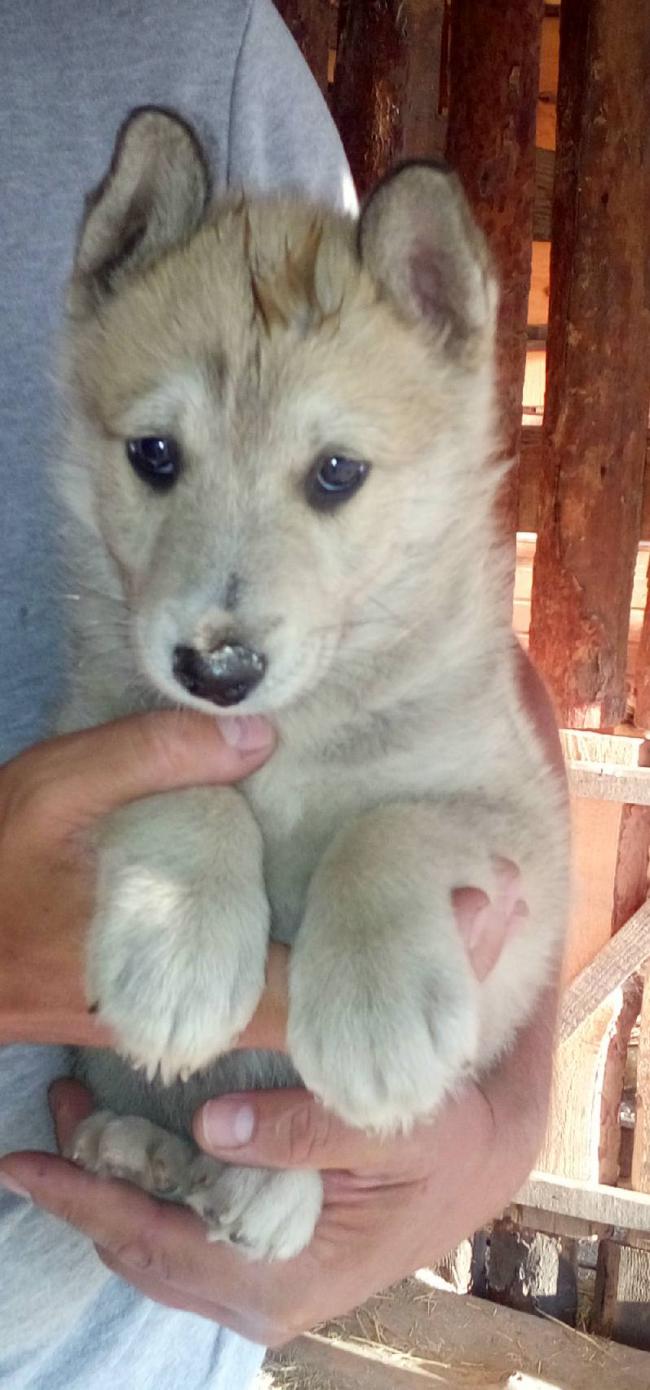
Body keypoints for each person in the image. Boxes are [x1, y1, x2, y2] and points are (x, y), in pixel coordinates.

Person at [0, 1, 563, 1385]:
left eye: (331, 476)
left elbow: (506, 815)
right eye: (159, 457)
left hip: (119, 1347)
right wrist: (177, 826)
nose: (222, 610)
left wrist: (492, 1134)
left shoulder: (186, 43)